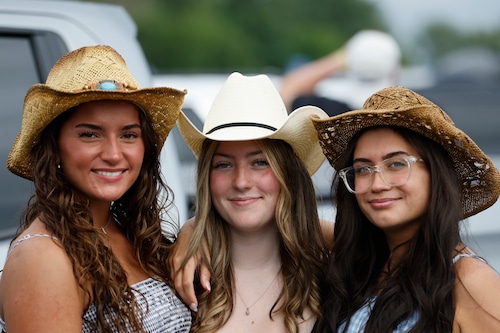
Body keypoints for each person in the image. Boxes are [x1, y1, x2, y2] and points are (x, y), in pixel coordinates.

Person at [0, 45, 192, 332]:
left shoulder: (132, 234)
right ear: (53, 148)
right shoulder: (42, 257)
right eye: (90, 134)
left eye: (128, 135)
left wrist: (192, 232)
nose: (114, 154)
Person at [310, 86, 500, 332]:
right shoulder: (358, 260)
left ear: (435, 173)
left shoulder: (470, 283)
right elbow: (297, 224)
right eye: (363, 169)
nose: (377, 184)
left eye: (397, 164)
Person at [174, 72, 330, 332]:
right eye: (223, 165)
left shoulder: (337, 276)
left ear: (288, 173)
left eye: (260, 163)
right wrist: (190, 231)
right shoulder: (178, 275)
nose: (241, 182)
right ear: (206, 179)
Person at [280, 30, 401, 116]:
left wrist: (340, 58)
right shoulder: (408, 115)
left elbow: (286, 92)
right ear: (395, 72)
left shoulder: (331, 110)